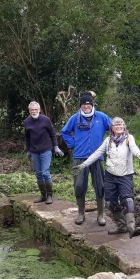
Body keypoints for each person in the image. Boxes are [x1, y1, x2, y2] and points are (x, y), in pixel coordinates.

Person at [73, 117, 140, 237]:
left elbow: (134, 149)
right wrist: (83, 165)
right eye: (116, 125)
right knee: (109, 202)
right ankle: (121, 226)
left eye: (121, 125)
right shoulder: (108, 141)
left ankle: (131, 227)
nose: (119, 127)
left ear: (124, 127)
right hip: (110, 176)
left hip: (125, 175)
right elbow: (97, 153)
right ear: (111, 128)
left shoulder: (129, 138)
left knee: (127, 200)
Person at [60, 92, 113, 225]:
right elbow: (65, 132)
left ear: (92, 105)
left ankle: (100, 215)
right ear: (81, 106)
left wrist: (110, 144)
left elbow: (114, 129)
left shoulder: (101, 117)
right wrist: (73, 144)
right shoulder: (75, 118)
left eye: (89, 104)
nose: (86, 107)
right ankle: (81, 214)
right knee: (79, 186)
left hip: (97, 157)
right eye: (84, 104)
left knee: (100, 186)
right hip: (80, 158)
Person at [24, 101, 63, 204]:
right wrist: (28, 150)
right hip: (34, 151)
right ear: (29, 111)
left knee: (45, 172)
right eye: (32, 110)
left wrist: (56, 146)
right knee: (38, 173)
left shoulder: (46, 120)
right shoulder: (27, 122)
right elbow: (27, 137)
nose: (34, 111)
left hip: (45, 150)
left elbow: (52, 133)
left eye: (36, 109)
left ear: (39, 110)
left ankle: (50, 195)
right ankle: (43, 195)